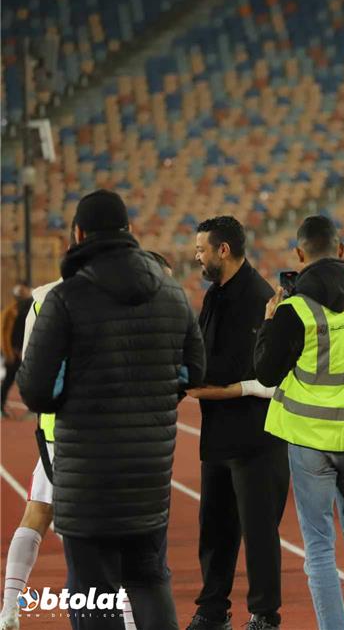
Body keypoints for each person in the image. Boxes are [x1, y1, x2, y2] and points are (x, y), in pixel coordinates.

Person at [16, 189, 205, 629]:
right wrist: (152, 400)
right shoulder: (173, 295)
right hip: (149, 473)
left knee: (92, 590)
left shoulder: (65, 300)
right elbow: (192, 372)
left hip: (88, 478)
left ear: (78, 234)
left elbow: (36, 391)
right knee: (150, 581)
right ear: (130, 231)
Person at [254, 215, 344, 630]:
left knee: (319, 549)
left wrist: (269, 322)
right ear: (341, 250)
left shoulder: (295, 310)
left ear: (299, 255)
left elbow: (266, 373)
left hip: (312, 441)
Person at [187, 216, 288, 630]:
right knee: (214, 530)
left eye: (201, 249)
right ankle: (213, 610)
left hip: (256, 439)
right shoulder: (214, 295)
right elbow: (203, 356)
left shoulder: (258, 298)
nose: (197, 256)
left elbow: (254, 371)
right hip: (218, 435)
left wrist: (201, 385)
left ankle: (265, 615)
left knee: (259, 533)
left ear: (223, 250)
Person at [1, 282, 32, 416]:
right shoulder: (10, 311)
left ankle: (32, 408)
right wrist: (8, 352)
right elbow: (4, 334)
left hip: (25, 352)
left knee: (29, 380)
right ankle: (1, 405)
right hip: (13, 353)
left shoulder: (29, 309)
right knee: (9, 380)